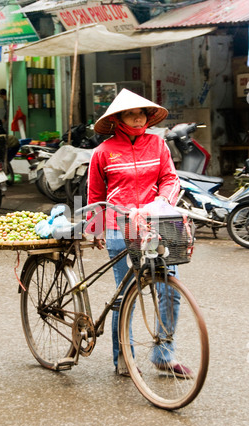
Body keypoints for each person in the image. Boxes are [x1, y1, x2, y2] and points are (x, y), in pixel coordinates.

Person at [87, 88, 192, 378]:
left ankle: (163, 354)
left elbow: (170, 179)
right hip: (119, 228)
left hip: (159, 223)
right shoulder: (103, 152)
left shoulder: (158, 145)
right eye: (130, 114)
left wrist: (164, 201)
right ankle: (123, 355)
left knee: (170, 290)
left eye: (141, 113)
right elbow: (96, 193)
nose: (137, 119)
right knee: (125, 295)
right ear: (118, 118)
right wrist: (94, 227)